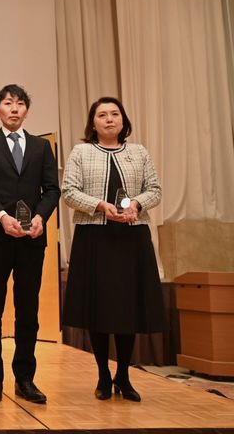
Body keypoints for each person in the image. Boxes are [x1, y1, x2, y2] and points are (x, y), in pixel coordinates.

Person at [62, 96, 164, 402]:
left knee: (127, 307)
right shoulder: (81, 151)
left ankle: (123, 375)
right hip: (95, 237)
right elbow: (69, 191)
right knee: (99, 307)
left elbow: (155, 190)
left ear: (123, 120)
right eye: (102, 115)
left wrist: (137, 204)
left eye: (115, 114)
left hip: (132, 237)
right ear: (93, 123)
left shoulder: (139, 152)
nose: (109, 119)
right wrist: (100, 206)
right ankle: (103, 375)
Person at [0, 84, 60, 404]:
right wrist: (1, 216)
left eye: (20, 104)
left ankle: (25, 378)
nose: (14, 108)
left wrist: (41, 217)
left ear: (26, 111)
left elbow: (52, 189)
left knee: (28, 310)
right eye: (8, 103)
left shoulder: (41, 146)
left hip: (32, 238)